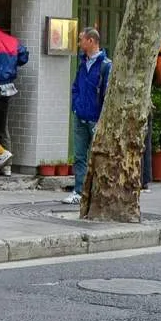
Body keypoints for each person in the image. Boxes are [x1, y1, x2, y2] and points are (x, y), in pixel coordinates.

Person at [63, 27, 112, 205]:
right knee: (79, 156)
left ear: (91, 41)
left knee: (99, 157)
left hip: (95, 118)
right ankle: (79, 191)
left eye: (81, 39)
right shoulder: (82, 63)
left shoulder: (106, 65)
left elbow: (107, 94)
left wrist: (102, 118)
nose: (79, 43)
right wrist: (75, 105)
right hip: (80, 115)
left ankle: (99, 192)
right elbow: (76, 86)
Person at [0, 10, 29, 174]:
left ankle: (1, 152)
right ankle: (7, 167)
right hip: (9, 86)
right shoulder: (11, 40)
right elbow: (23, 56)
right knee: (2, 126)